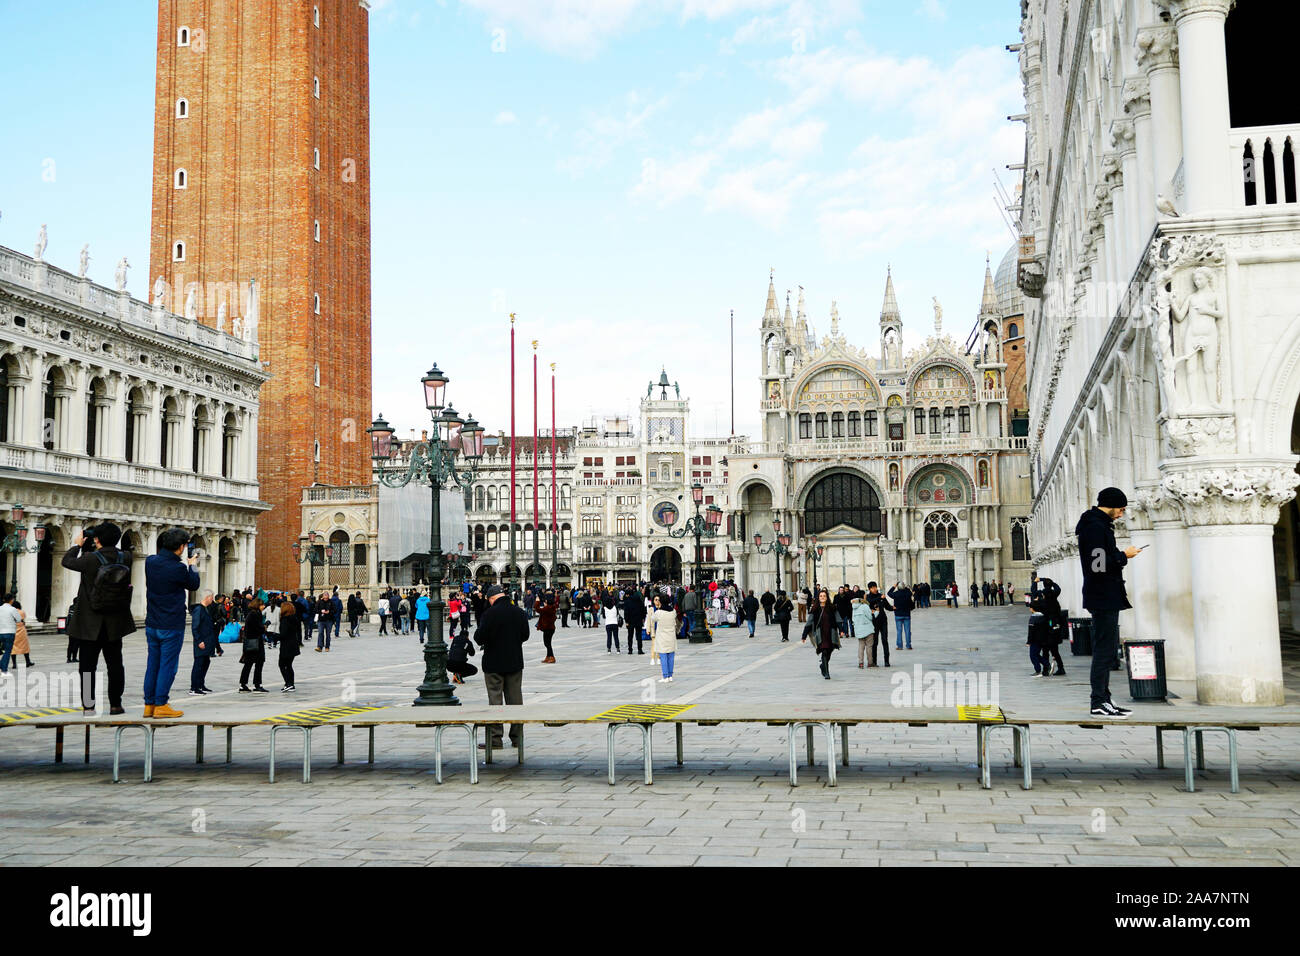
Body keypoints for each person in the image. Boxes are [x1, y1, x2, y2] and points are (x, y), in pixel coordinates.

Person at [1077, 487, 1140, 718]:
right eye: (1121, 509)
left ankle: (1105, 699)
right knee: (1104, 651)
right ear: (1111, 504)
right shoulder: (1094, 527)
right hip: (1102, 595)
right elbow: (1098, 565)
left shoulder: (1097, 525)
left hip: (1104, 594)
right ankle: (1098, 702)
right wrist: (1124, 556)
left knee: (1108, 651)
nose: (1121, 514)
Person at [62, 523, 137, 716]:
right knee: (115, 664)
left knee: (87, 667)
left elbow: (67, 561)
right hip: (115, 621)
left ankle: (89, 706)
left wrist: (78, 545)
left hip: (90, 622)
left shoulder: (89, 560)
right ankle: (115, 704)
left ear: (96, 539)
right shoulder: (126, 558)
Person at [142, 528, 201, 719]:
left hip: (152, 622)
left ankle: (148, 704)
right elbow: (193, 584)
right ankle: (161, 704)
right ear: (181, 547)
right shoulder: (178, 568)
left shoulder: (150, 562)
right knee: (168, 665)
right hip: (171, 623)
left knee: (153, 663)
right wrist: (192, 565)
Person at [474, 584, 529, 750]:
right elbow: (525, 635)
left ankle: (495, 739)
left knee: (495, 701)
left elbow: (479, 638)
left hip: (493, 663)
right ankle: (517, 738)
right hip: (514, 661)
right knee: (515, 701)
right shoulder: (519, 612)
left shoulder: (489, 614)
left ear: (492, 599)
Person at [803, 589, 840, 679]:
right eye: (821, 596)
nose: (822, 597)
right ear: (818, 598)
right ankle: (826, 673)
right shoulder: (815, 609)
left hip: (830, 633)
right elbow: (809, 622)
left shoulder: (832, 608)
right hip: (820, 634)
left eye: (824, 596)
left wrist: (842, 630)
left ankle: (823, 665)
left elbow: (838, 619)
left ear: (827, 598)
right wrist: (804, 635)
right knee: (824, 651)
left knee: (829, 651)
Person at [189, 590, 217, 695]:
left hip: (208, 641)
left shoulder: (205, 609)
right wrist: (199, 640)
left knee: (205, 662)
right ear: (208, 597)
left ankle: (201, 684)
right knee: (198, 664)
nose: (212, 599)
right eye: (212, 597)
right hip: (201, 642)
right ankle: (194, 687)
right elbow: (195, 627)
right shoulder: (198, 610)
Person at [238, 598, 269, 692]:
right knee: (257, 663)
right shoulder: (255, 615)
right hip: (255, 642)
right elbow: (259, 629)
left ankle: (244, 684)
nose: (264, 606)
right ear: (258, 605)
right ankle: (256, 684)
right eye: (262, 605)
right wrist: (265, 626)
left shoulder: (252, 614)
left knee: (249, 663)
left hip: (251, 642)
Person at [648, 593, 678, 682]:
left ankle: (665, 676)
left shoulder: (659, 612)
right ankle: (670, 675)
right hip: (671, 636)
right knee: (671, 656)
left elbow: (653, 618)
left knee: (663, 656)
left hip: (662, 637)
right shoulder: (673, 611)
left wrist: (658, 608)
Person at [865, 582, 893, 667]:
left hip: (883, 621)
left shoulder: (881, 596)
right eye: (872, 588)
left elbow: (887, 606)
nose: (875, 589)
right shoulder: (868, 597)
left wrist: (894, 608)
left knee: (885, 640)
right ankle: (874, 661)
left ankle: (887, 661)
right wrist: (879, 597)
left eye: (875, 587)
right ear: (869, 589)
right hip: (874, 622)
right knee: (875, 642)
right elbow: (869, 602)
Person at [278, 599, 302, 691]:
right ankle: (291, 684)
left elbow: (283, 634)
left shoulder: (285, 620)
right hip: (293, 644)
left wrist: (275, 636)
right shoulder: (294, 618)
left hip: (286, 645)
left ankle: (288, 683)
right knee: (289, 665)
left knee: (282, 665)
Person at [0, 593, 25, 674]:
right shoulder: (12, 609)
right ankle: (3, 668)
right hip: (9, 632)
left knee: (3, 650)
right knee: (7, 651)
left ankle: (2, 665)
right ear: (12, 600)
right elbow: (18, 619)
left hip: (0, 632)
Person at [887, 581, 914, 650]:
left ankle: (899, 646)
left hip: (898, 614)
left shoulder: (896, 594)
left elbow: (889, 593)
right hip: (907, 614)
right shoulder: (908, 593)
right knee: (907, 631)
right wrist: (906, 587)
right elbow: (910, 592)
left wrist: (894, 586)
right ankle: (908, 645)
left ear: (898, 587)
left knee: (899, 631)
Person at [536, 591, 558, 663]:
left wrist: (537, 601)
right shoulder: (552, 608)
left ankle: (551, 657)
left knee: (547, 644)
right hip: (550, 628)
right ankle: (548, 656)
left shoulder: (547, 609)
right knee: (547, 643)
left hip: (548, 629)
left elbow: (537, 609)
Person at [623, 587, 646, 654]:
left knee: (630, 636)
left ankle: (630, 650)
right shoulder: (639, 600)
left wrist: (626, 621)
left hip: (630, 621)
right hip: (638, 620)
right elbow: (643, 610)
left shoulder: (627, 602)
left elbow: (626, 612)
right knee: (639, 635)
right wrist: (643, 618)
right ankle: (640, 649)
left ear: (628, 595)